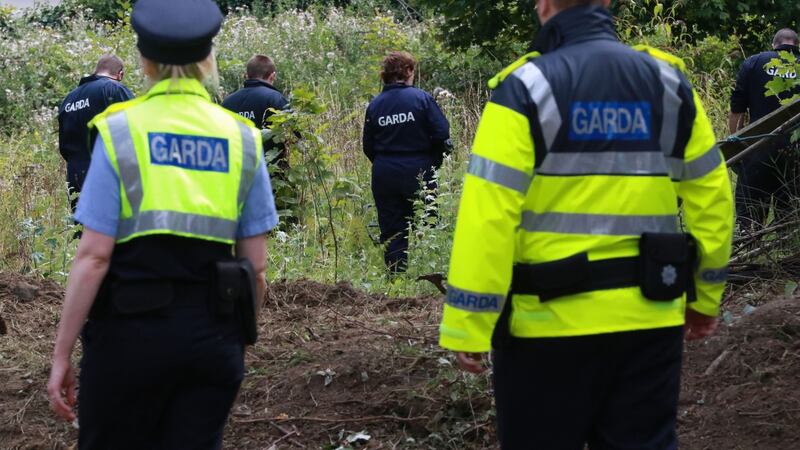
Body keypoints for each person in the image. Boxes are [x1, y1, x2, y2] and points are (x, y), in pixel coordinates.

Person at [438, 1, 733, 449]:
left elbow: (488, 216)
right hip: (650, 319)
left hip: (547, 326)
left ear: (543, 5)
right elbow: (712, 199)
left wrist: (471, 322)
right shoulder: (670, 84)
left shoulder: (524, 88)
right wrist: (705, 296)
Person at [45, 1, 279, 448]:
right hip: (213, 335)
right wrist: (234, 345)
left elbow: (94, 257)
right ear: (208, 58)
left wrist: (61, 354)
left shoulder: (119, 130)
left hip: (129, 338)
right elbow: (257, 267)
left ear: (144, 61)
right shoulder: (241, 137)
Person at [363, 51, 451, 273]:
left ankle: (396, 277)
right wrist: (432, 160)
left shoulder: (375, 105)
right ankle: (429, 274)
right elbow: (442, 132)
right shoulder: (421, 98)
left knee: (392, 230)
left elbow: (368, 146)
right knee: (426, 221)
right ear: (409, 71)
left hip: (384, 173)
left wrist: (385, 160)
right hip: (418, 169)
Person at [729, 29, 800, 230]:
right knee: (790, 222)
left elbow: (737, 110)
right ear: (797, 45)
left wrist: (737, 148)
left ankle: (749, 254)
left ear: (773, 45)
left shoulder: (753, 62)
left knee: (749, 223)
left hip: (757, 149)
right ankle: (788, 258)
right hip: (795, 153)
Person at [58, 55, 134, 213]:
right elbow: (134, 128)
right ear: (120, 74)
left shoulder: (68, 99)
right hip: (106, 172)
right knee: (113, 231)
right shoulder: (113, 89)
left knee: (82, 231)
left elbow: (64, 144)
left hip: (75, 175)